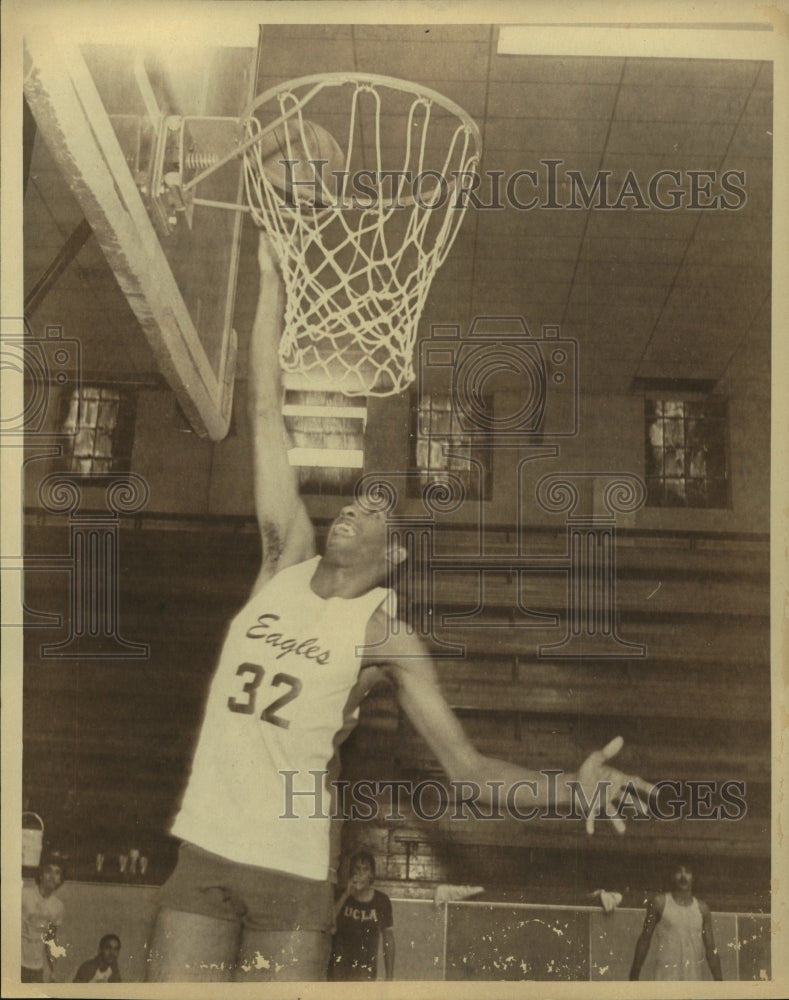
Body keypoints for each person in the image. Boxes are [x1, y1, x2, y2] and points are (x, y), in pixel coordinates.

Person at [146, 231, 654, 983]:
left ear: (394, 557)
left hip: (290, 868)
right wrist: (270, 283)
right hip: (205, 847)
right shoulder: (283, 556)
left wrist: (565, 787)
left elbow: (467, 767)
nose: (352, 510)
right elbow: (262, 410)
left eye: (372, 512)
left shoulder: (387, 636)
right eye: (349, 503)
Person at [629, 860, 723, 981]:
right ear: (672, 875)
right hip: (665, 978)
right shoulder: (660, 903)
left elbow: (711, 948)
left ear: (693, 877)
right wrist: (634, 973)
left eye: (688, 872)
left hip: (692, 979)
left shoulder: (702, 908)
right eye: (679, 871)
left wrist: (720, 981)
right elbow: (645, 939)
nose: (683, 877)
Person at [329, 850, 394, 981]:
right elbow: (328, 922)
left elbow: (389, 940)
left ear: (372, 875)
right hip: (338, 970)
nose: (360, 874)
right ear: (351, 873)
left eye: (365, 870)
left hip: (365, 973)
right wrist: (346, 895)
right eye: (357, 869)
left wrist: (389, 977)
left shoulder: (382, 900)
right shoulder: (340, 895)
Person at [21, 855, 66, 983]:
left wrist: (53, 970)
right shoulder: (24, 895)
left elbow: (50, 940)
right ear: (40, 875)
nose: (52, 876)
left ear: (60, 880)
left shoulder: (58, 906)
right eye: (48, 871)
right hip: (15, 962)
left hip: (36, 967)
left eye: (57, 873)